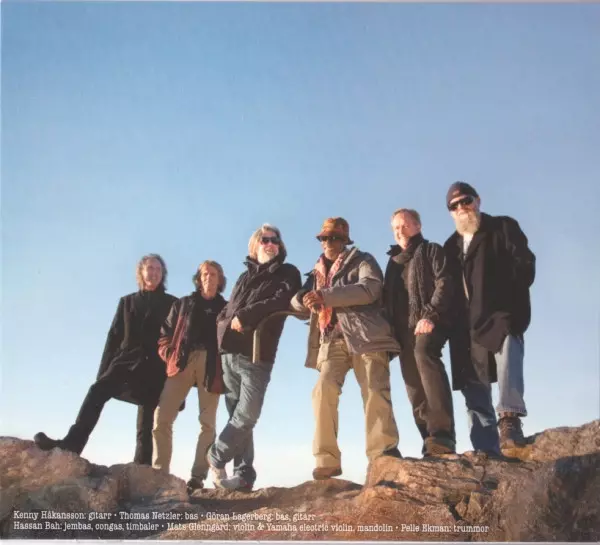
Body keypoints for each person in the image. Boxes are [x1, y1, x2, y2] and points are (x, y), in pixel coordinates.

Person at [34, 254, 177, 464]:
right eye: (150, 268)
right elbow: (114, 337)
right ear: (141, 272)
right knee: (96, 391)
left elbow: (177, 340)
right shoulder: (127, 301)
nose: (154, 273)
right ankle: (72, 444)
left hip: (155, 367)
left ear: (163, 274)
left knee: (147, 415)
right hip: (125, 361)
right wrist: (103, 372)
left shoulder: (173, 303)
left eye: (158, 269)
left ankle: (142, 465)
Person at [291, 217, 401, 480]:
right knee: (322, 391)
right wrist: (302, 299)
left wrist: (325, 296)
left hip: (367, 336)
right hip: (331, 340)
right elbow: (296, 303)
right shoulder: (315, 274)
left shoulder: (363, 260)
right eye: (325, 238)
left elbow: (370, 289)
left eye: (335, 238)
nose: (329, 242)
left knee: (374, 391)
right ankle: (326, 460)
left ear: (345, 241)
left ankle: (382, 455)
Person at [207, 224, 301, 491]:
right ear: (254, 245)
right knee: (235, 417)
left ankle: (215, 456)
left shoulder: (287, 272)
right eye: (265, 240)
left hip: (257, 353)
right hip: (228, 352)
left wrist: (246, 316)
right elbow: (230, 308)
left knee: (247, 415)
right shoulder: (243, 276)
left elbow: (281, 300)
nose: (270, 244)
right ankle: (243, 474)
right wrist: (222, 322)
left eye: (275, 240)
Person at [443, 181, 536, 454]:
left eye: (466, 200)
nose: (462, 207)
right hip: (465, 325)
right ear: (450, 212)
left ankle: (510, 420)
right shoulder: (450, 246)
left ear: (478, 200)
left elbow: (525, 264)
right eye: (454, 205)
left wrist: (509, 302)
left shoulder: (502, 227)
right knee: (474, 388)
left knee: (508, 350)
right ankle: (487, 451)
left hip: (499, 314)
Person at [383, 209, 456, 456]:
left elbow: (444, 282)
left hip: (429, 321)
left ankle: (443, 435)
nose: (400, 231)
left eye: (404, 225)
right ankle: (429, 440)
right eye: (395, 228)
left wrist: (430, 315)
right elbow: (386, 299)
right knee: (413, 384)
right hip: (402, 331)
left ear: (418, 226)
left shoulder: (431, 250)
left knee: (424, 354)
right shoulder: (393, 262)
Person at [152, 261, 227, 494]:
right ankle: (160, 474)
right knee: (162, 417)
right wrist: (169, 355)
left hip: (212, 366)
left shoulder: (226, 308)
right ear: (198, 278)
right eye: (205, 274)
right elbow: (164, 334)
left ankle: (197, 478)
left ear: (220, 280)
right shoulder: (183, 304)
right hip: (182, 362)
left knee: (208, 423)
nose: (208, 278)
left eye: (213, 274)